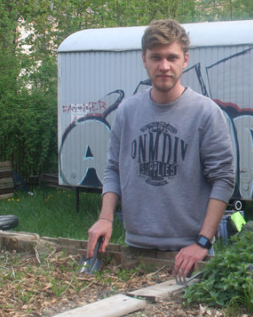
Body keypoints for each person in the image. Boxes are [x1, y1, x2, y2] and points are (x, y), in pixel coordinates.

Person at [86, 19, 235, 279]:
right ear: (144, 59)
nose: (164, 66)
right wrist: (105, 218)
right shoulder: (127, 112)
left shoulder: (205, 113)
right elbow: (113, 169)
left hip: (188, 253)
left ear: (185, 60)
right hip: (135, 247)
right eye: (156, 57)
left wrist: (202, 242)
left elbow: (223, 179)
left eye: (172, 57)